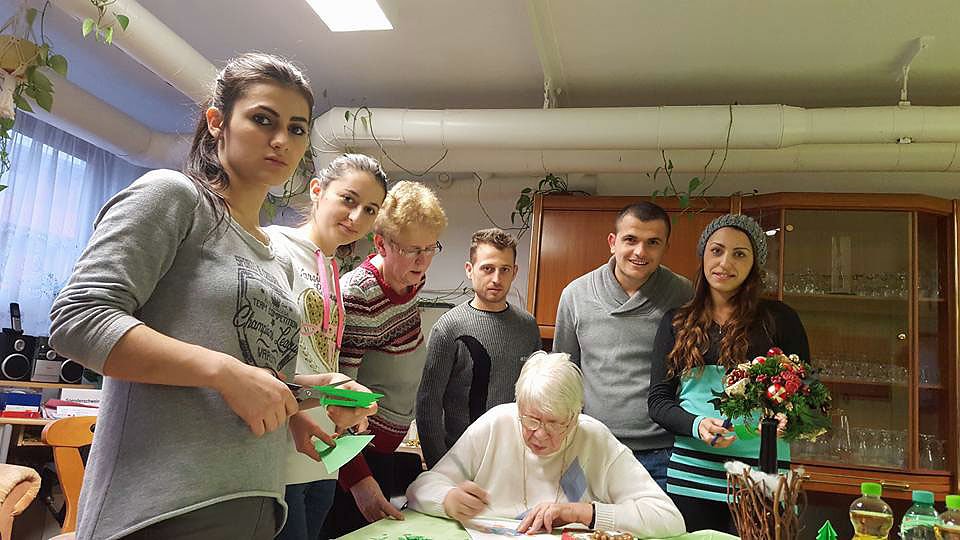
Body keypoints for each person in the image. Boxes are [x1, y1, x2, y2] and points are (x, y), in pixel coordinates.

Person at [48, 53, 370, 540]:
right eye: (263, 120)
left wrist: (311, 394)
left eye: (297, 129)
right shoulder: (175, 197)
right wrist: (224, 372)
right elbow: (79, 319)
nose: (282, 140)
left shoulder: (274, 257)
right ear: (217, 122)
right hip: (163, 508)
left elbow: (252, 376)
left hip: (258, 502)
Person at [406, 351, 686, 538]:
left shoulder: (594, 437)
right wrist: (448, 500)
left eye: (554, 424)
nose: (539, 434)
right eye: (531, 420)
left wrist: (583, 513)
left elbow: (668, 518)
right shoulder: (496, 423)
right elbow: (420, 487)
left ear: (575, 415)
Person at [647, 213, 810, 533]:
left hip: (763, 479)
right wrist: (696, 425)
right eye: (717, 251)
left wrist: (789, 417)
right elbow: (658, 401)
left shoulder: (780, 319)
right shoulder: (676, 322)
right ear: (703, 256)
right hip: (690, 478)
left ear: (754, 264)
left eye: (739, 254)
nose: (725, 262)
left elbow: (808, 395)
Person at [266, 154, 388, 540]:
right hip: (281, 447)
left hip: (324, 451)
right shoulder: (275, 247)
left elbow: (317, 356)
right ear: (317, 190)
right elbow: (257, 355)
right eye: (348, 199)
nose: (356, 217)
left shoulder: (332, 267)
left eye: (370, 209)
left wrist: (347, 403)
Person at [323, 180, 448, 536]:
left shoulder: (410, 279)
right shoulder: (358, 296)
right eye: (412, 250)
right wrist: (358, 481)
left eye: (430, 248)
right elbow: (337, 403)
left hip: (386, 449)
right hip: (358, 456)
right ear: (381, 244)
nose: (423, 260)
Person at [553, 202, 692, 491]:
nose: (640, 252)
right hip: (591, 447)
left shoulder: (683, 295)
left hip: (663, 453)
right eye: (630, 239)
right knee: (581, 521)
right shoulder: (576, 295)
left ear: (665, 247)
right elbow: (563, 376)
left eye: (653, 242)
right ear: (612, 242)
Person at [415, 228, 541, 468]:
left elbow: (535, 396)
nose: (496, 279)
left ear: (515, 272)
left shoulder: (527, 327)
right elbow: (428, 405)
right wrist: (439, 469)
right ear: (469, 270)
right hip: (460, 461)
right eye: (487, 268)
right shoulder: (449, 328)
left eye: (505, 270)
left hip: (515, 460)